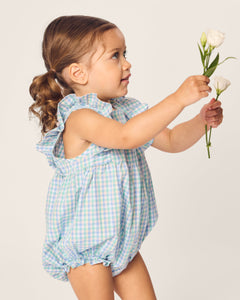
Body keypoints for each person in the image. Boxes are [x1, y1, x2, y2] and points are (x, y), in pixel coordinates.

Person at [29, 15, 223, 300]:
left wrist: (200, 121)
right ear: (78, 73)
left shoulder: (126, 110)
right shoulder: (81, 117)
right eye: (115, 56)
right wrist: (178, 98)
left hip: (123, 242)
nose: (127, 63)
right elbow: (125, 137)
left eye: (125, 53)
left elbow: (170, 140)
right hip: (88, 250)